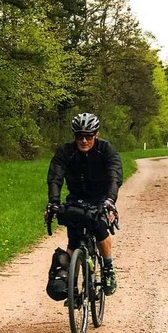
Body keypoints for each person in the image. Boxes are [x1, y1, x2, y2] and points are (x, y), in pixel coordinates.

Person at [46, 112, 123, 295]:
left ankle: (108, 268)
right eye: (79, 136)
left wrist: (110, 200)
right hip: (76, 198)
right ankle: (68, 282)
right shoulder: (66, 151)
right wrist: (53, 202)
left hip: (100, 198)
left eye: (88, 136)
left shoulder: (106, 150)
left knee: (99, 227)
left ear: (96, 134)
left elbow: (115, 176)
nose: (84, 140)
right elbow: (55, 177)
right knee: (73, 238)